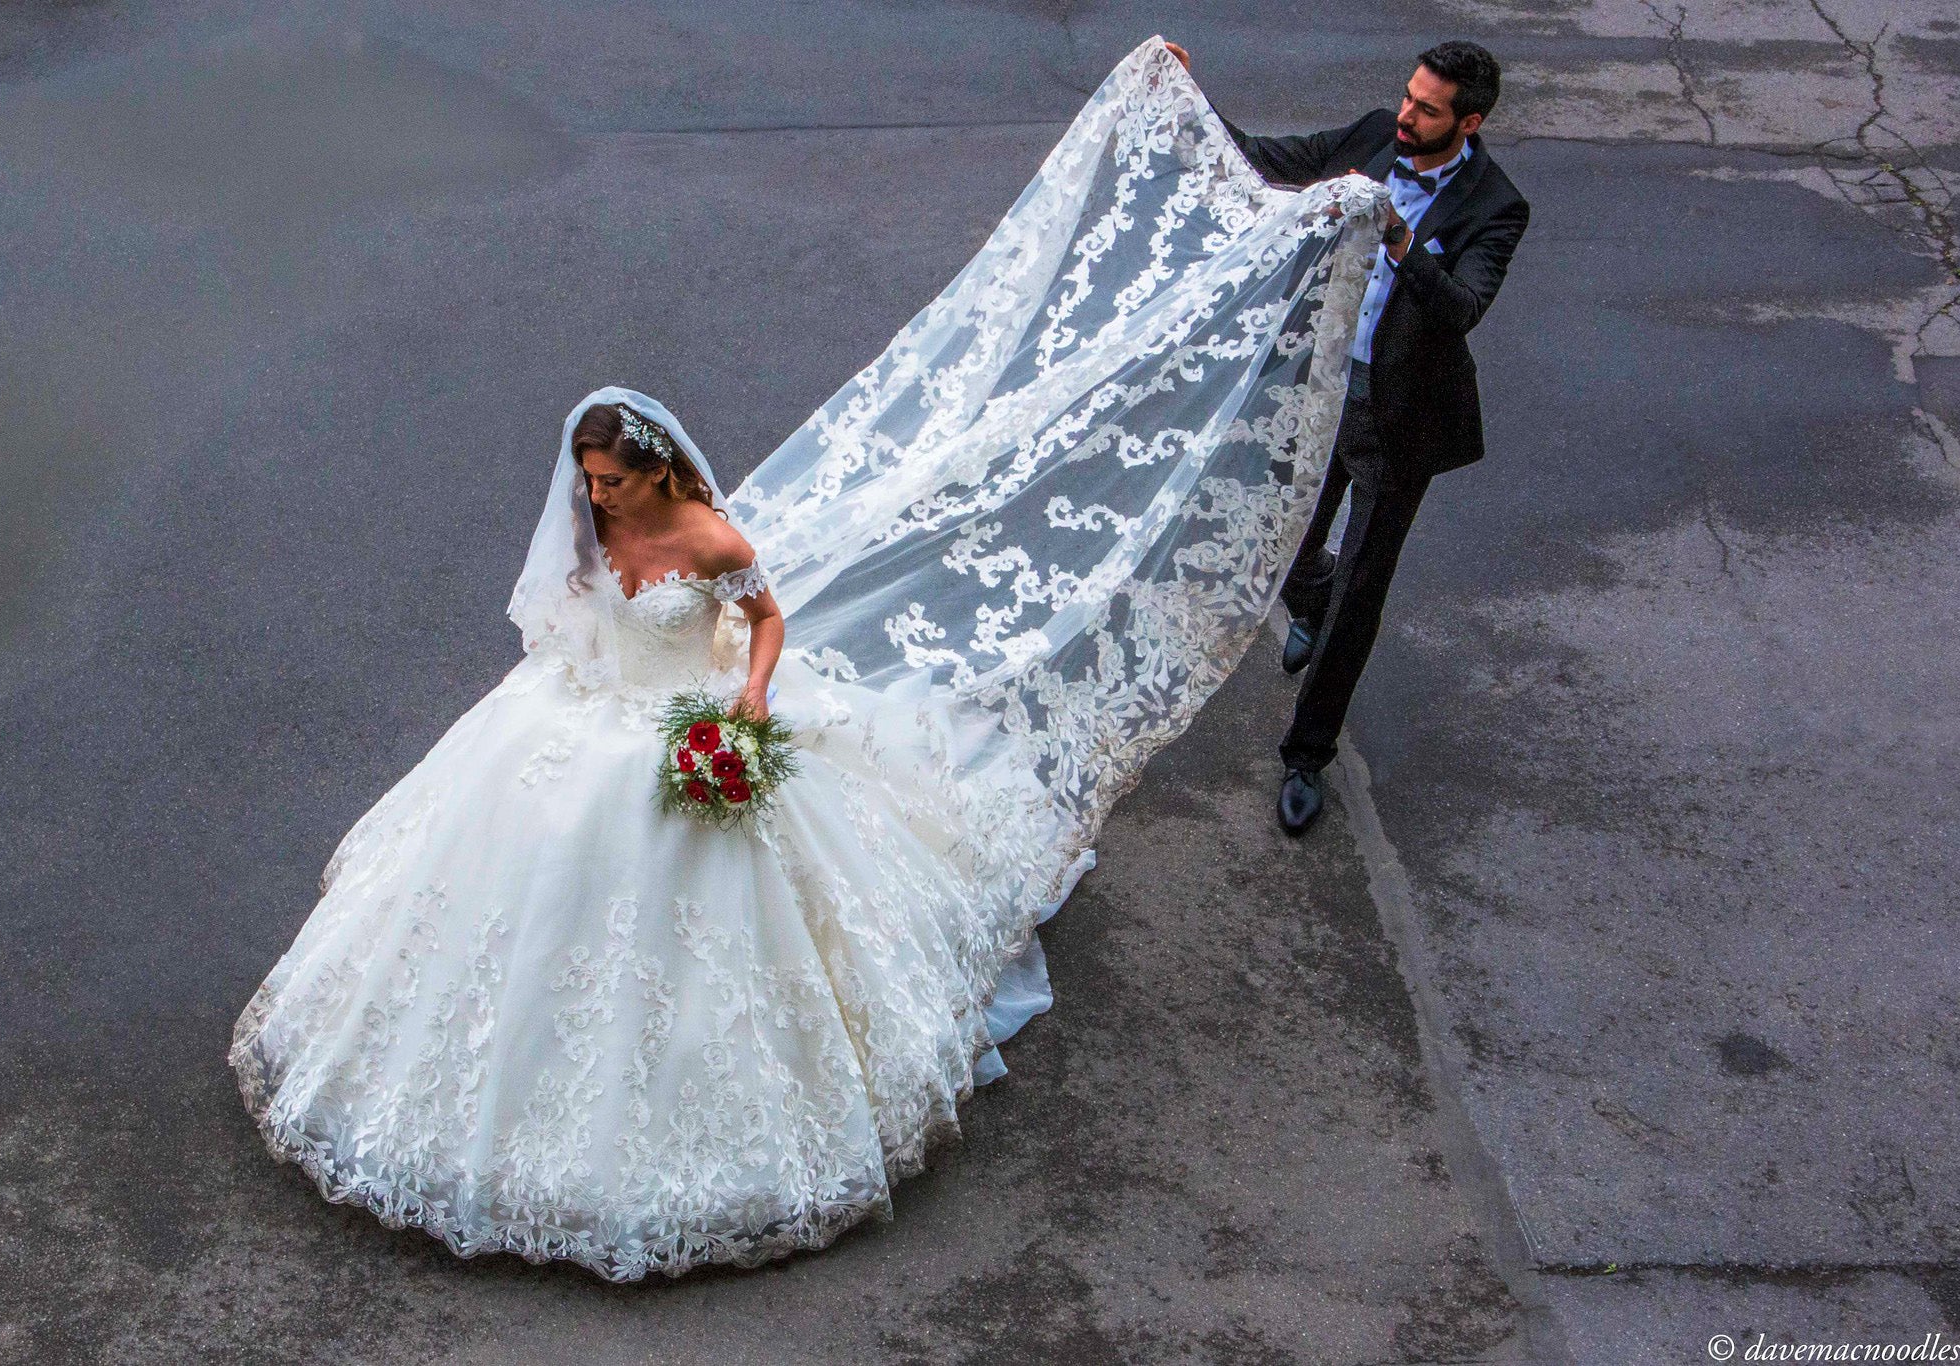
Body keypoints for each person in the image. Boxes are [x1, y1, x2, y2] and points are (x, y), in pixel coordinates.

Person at [230, 40, 1387, 1282]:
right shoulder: (592, 522)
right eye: (590, 483)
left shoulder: (712, 536)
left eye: (614, 482)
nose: (596, 499)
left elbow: (765, 617)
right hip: (576, 716)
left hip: (688, 725)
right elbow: (561, 612)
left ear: (661, 473)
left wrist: (745, 700)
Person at [1167, 40, 1531, 833]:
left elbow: (1462, 308)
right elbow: (1267, 160)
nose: (1407, 114)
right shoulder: (1372, 134)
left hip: (1402, 420)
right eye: (1408, 96)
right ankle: (1310, 599)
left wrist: (1402, 244)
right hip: (1320, 387)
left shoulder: (1496, 205)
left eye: (1427, 109)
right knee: (1279, 533)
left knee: (1360, 593)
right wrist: (1184, 93)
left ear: (1468, 122)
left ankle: (1307, 753)